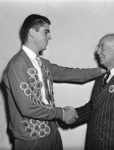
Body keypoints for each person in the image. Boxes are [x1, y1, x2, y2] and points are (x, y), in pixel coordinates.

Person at [1, 14, 105, 150]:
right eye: (46, 32)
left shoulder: (43, 63)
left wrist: (102, 71)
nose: (50, 37)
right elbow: (28, 107)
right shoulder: (16, 65)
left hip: (52, 132)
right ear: (32, 32)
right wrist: (62, 113)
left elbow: (72, 74)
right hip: (31, 139)